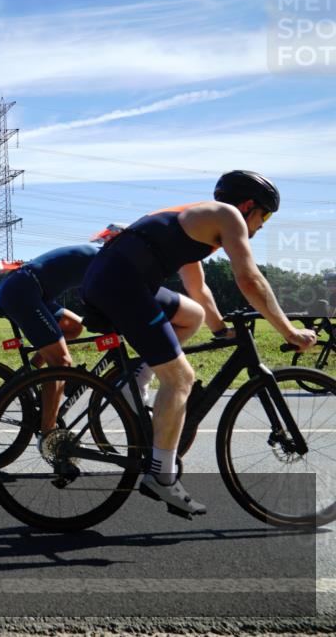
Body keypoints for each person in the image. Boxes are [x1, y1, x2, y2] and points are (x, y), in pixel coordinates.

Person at [82, 170, 318, 518]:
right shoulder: (229, 216)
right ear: (247, 205)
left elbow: (199, 291)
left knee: (190, 315)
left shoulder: (198, 226)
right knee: (180, 378)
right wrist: (288, 331)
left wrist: (222, 331)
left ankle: (137, 379)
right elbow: (249, 278)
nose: (263, 225)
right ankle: (161, 476)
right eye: (264, 215)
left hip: (119, 279)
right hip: (121, 284)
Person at [0, 226, 204, 438]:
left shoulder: (103, 258)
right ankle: (49, 434)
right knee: (61, 362)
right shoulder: (104, 260)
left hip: (31, 290)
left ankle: (33, 373)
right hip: (23, 290)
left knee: (74, 327)